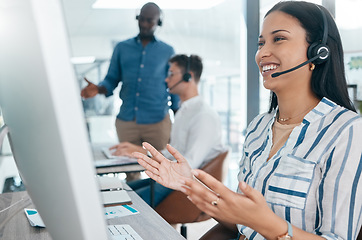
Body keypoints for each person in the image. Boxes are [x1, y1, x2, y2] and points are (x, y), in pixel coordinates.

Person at [133, 1, 362, 239]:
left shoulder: (346, 131)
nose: (262, 53)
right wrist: (189, 184)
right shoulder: (258, 128)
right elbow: (239, 224)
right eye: (261, 43)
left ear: (318, 51)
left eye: (279, 39)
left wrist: (269, 225)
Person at [113, 54, 225, 207]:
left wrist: (153, 162)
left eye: (171, 74)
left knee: (121, 202)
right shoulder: (183, 111)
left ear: (188, 76)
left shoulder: (203, 116)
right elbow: (174, 153)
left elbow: (189, 165)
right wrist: (140, 151)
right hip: (174, 180)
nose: (166, 80)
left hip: (186, 186)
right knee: (119, 191)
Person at [80, 2, 179, 151]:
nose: (144, 24)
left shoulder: (168, 51)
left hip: (158, 123)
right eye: (142, 19)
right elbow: (111, 78)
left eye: (149, 20)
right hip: (126, 122)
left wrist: (178, 119)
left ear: (158, 22)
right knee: (129, 170)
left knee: (160, 169)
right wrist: (99, 89)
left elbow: (173, 86)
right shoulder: (122, 48)